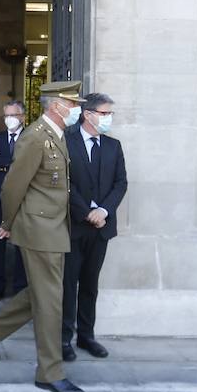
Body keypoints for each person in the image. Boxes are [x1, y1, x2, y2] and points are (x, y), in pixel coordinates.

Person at [0, 82, 86, 392]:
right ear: (56, 107)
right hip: (39, 230)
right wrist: (8, 223)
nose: (77, 109)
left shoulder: (56, 135)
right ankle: (50, 373)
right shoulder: (36, 137)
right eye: (72, 104)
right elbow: (12, 187)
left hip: (53, 228)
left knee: (43, 292)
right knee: (51, 301)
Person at [61, 93, 127, 362]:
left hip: (101, 228)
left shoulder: (113, 146)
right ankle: (64, 338)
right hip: (74, 227)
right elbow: (64, 183)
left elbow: (120, 183)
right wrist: (85, 211)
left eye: (110, 114)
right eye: (104, 113)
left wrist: (103, 211)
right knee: (68, 286)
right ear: (88, 114)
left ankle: (86, 337)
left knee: (90, 285)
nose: (108, 118)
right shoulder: (66, 142)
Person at [0, 101, 28, 302]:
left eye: (13, 115)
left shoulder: (30, 137)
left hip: (23, 199)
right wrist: (13, 165)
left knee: (22, 246)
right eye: (6, 115)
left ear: (23, 117)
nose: (9, 119)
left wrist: (4, 165)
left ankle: (20, 287)